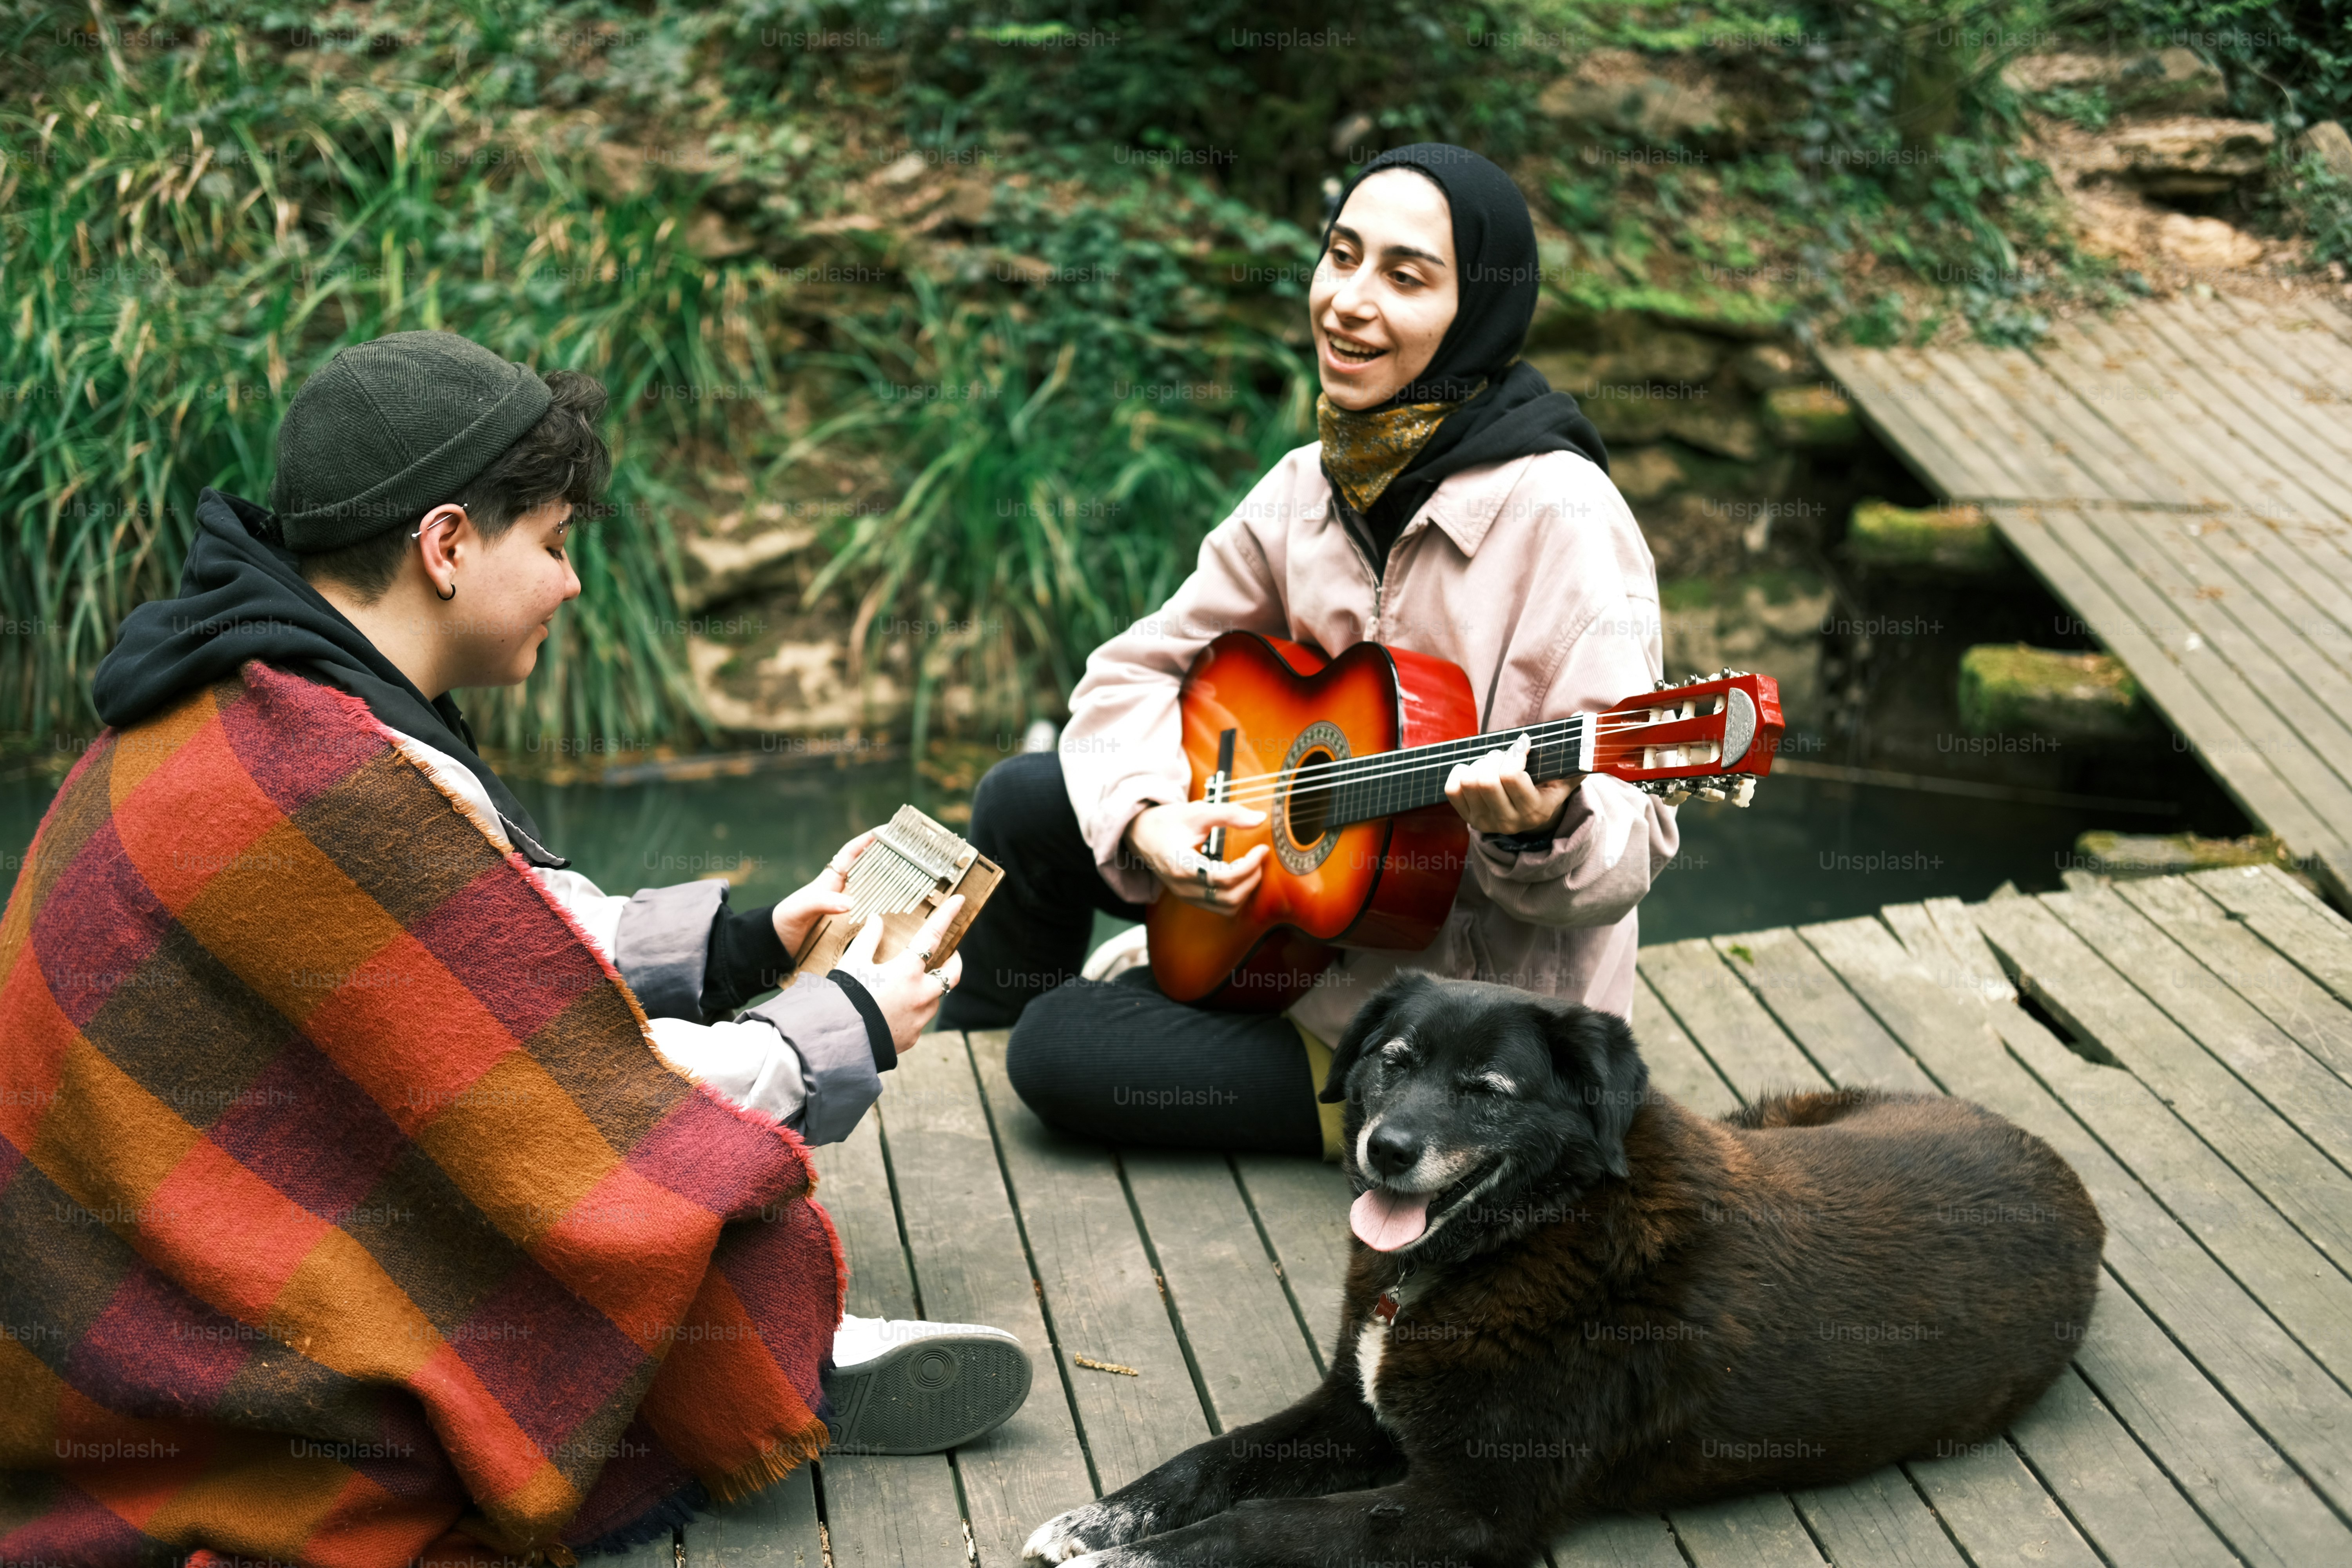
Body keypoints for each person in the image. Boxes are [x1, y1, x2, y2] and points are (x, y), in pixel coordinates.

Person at [0, 333, 1026, 1568]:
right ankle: (729, 1377)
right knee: (682, 1230)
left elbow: (492, 947)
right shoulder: (333, 777)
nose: (573, 582)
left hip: (104, 1291)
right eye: (551, 543)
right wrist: (836, 1031)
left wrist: (750, 946)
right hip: (180, 1365)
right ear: (445, 547)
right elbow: (573, 1115)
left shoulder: (258, 673)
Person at [940, 145, 1680, 1158]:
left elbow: (1628, 847)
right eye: (1341, 256)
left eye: (1405, 277)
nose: (1348, 301)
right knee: (1021, 804)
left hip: (1446, 1032)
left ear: (1479, 313)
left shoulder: (1566, 516)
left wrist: (1538, 829)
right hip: (1303, 934)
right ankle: (939, 1125)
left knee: (1059, 1045)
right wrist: (1154, 822)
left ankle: (1294, 1076)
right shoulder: (1312, 483)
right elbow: (1136, 670)